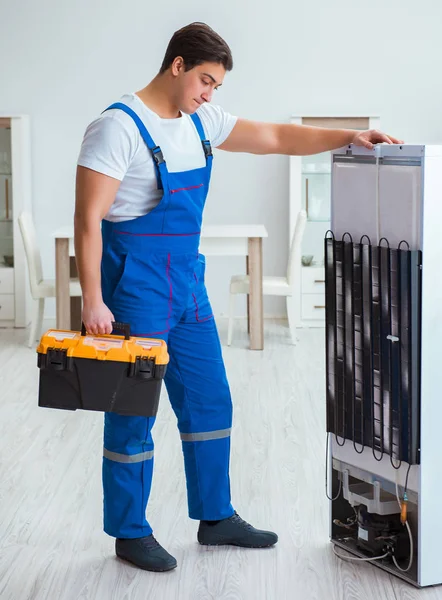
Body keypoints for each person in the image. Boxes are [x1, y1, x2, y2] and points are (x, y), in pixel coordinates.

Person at [74, 21, 402, 573]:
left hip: (187, 286)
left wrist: (348, 137)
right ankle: (130, 531)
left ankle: (216, 516)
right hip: (135, 287)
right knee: (133, 413)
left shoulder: (201, 119)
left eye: (217, 86)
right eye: (205, 80)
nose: (209, 94)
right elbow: (87, 220)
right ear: (176, 64)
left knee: (210, 400)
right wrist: (92, 301)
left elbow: (275, 138)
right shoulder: (117, 127)